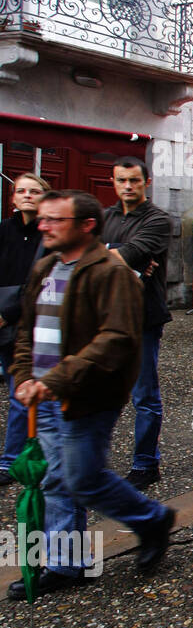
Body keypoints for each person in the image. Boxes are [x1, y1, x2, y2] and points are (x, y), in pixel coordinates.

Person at [6, 190, 175, 600]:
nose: (43, 225)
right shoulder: (45, 266)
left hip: (86, 397)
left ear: (86, 226)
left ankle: (152, 519)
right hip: (45, 396)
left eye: (54, 220)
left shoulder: (109, 272)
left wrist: (59, 379)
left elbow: (116, 339)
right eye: (42, 218)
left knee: (82, 479)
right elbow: (29, 330)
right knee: (54, 482)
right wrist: (24, 375)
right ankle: (67, 566)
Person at [101, 156, 172, 490]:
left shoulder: (158, 219)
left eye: (133, 180)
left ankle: (146, 463)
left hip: (143, 315)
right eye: (120, 180)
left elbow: (129, 255)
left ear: (147, 182)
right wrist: (116, 255)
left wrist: (112, 254)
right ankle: (95, 459)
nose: (127, 186)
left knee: (144, 395)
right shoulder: (107, 216)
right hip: (105, 315)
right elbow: (95, 255)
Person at [0, 173, 53, 487]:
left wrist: (7, 313)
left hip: (31, 320)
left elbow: (40, 284)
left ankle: (11, 461)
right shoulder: (4, 231)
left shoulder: (48, 234)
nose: (27, 195)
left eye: (34, 191)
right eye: (21, 190)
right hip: (4, 321)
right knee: (16, 389)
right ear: (13, 197)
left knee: (23, 391)